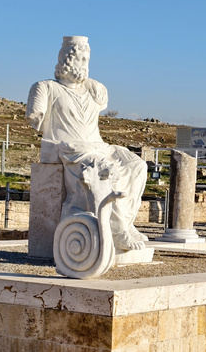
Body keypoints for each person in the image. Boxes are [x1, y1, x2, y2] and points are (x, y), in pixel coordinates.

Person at [26, 36, 148, 251]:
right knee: (102, 169)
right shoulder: (45, 87)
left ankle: (126, 224)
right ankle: (117, 231)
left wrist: (92, 85)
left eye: (86, 59)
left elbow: (102, 100)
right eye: (78, 59)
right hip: (69, 147)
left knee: (137, 165)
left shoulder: (94, 89)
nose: (83, 64)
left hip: (98, 145)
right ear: (64, 59)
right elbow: (34, 116)